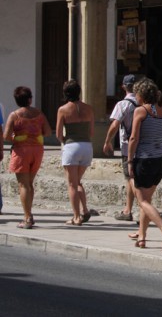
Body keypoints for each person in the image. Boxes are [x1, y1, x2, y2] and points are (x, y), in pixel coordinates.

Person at [127, 78, 162, 251]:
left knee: (142, 201)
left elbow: (134, 138)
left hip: (144, 159)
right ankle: (142, 237)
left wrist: (130, 160)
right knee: (147, 199)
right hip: (160, 158)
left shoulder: (140, 111)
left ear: (141, 94)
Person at [3, 86, 51, 228]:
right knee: (29, 183)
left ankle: (27, 217)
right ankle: (29, 213)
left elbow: (6, 136)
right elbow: (48, 132)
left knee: (23, 185)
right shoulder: (39, 114)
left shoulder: (15, 115)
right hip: (37, 149)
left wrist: (17, 137)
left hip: (21, 151)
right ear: (30, 99)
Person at [55, 80, 94, 226]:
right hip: (87, 146)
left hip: (72, 146)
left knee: (71, 183)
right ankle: (85, 210)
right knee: (78, 181)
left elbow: (58, 134)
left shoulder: (63, 109)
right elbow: (91, 131)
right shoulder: (89, 108)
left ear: (65, 93)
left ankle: (76, 217)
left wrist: (65, 139)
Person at [103, 74, 139, 222]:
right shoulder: (143, 102)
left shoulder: (123, 104)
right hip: (142, 146)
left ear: (123, 86)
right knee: (130, 178)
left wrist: (107, 141)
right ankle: (127, 209)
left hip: (127, 147)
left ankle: (144, 206)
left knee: (130, 178)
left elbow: (115, 124)